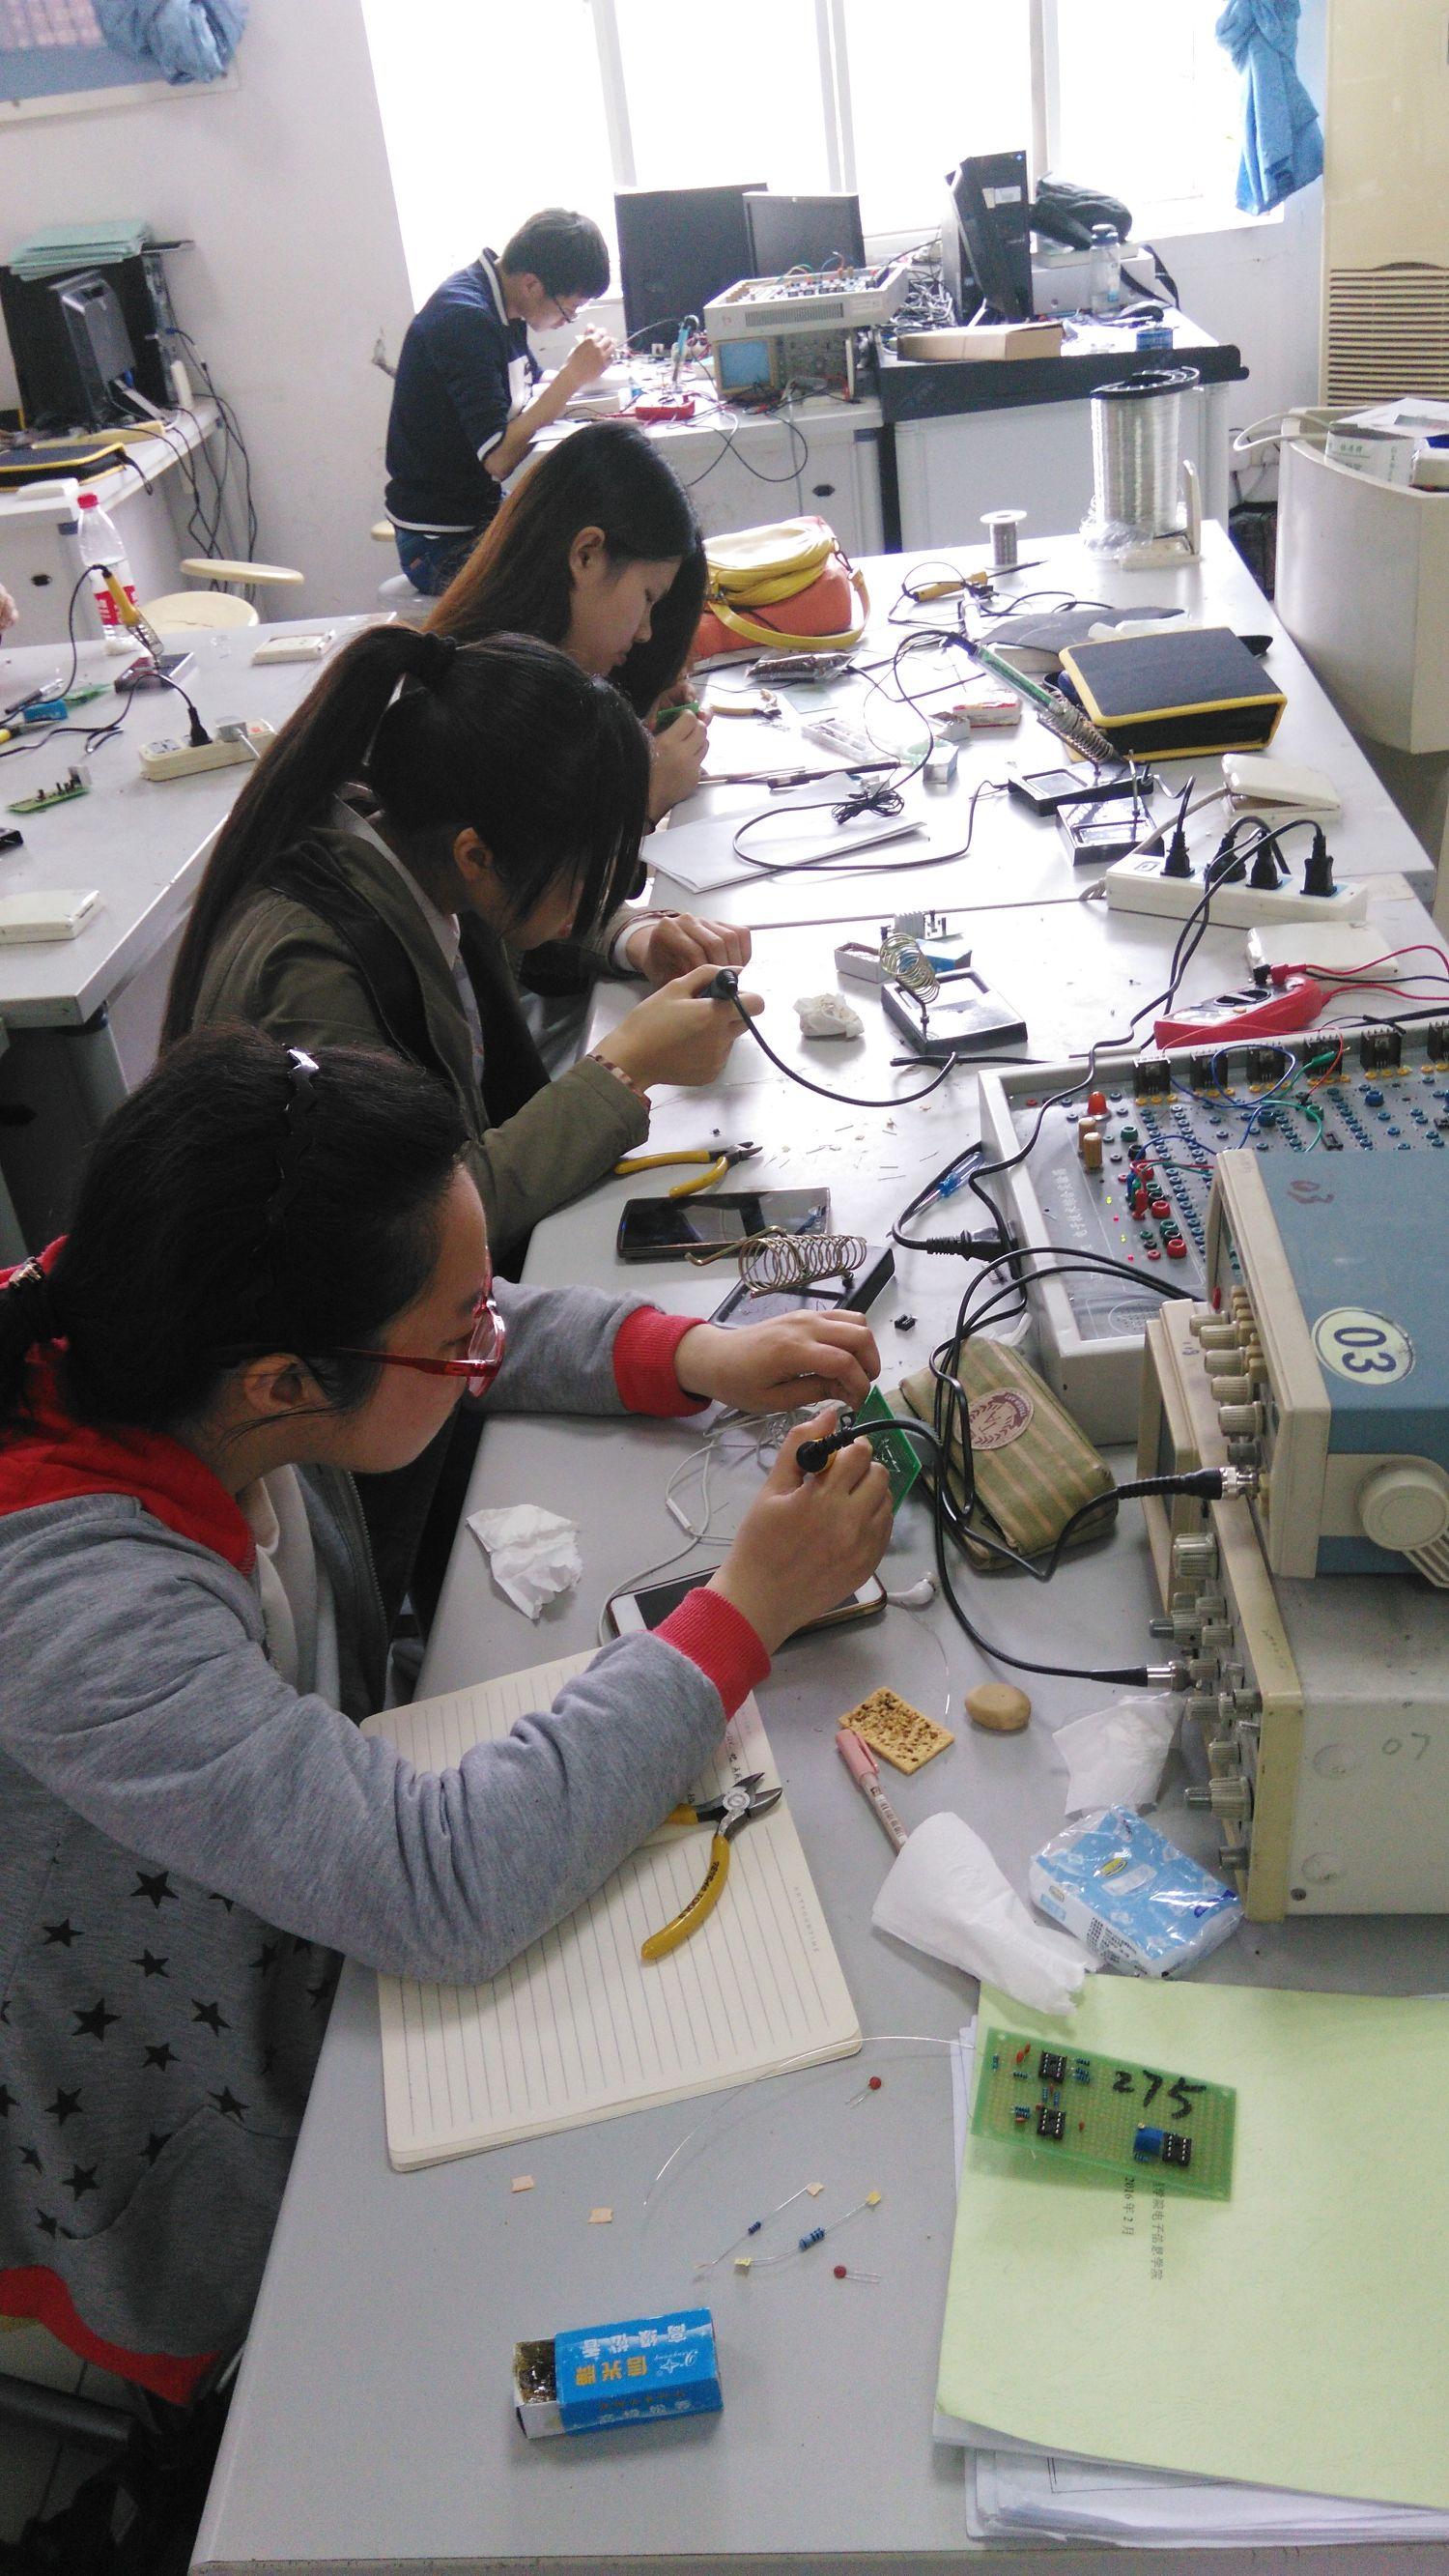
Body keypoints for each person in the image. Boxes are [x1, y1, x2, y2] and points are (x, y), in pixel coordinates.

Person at [0, 1028, 892, 2392]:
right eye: (461, 1332)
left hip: (276, 1927)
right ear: (285, 1383)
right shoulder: (84, 1612)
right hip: (166, 2098)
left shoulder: (158, 1314)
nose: (490, 1334)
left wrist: (695, 1351)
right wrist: (744, 1612)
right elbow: (442, 1884)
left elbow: (447, 1315)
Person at [161, 623, 762, 1266]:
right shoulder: (318, 977)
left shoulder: (412, 839)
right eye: (586, 874)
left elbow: (517, 909)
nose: (597, 893)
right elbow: (411, 1235)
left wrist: (634, 938)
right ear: (475, 855)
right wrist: (625, 1068)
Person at [431, 420, 713, 831]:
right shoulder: (491, 707)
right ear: (586, 555)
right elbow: (541, 868)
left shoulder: (518, 672)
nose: (645, 632)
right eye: (647, 597)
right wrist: (648, 798)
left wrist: (646, 707)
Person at [385, 210, 615, 597]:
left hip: (479, 514)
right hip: (438, 543)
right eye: (569, 310)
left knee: (597, 543)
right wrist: (572, 379)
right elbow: (499, 459)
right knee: (579, 582)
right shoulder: (464, 320)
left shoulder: (503, 304)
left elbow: (527, 390)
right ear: (532, 284)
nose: (568, 321)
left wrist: (579, 375)